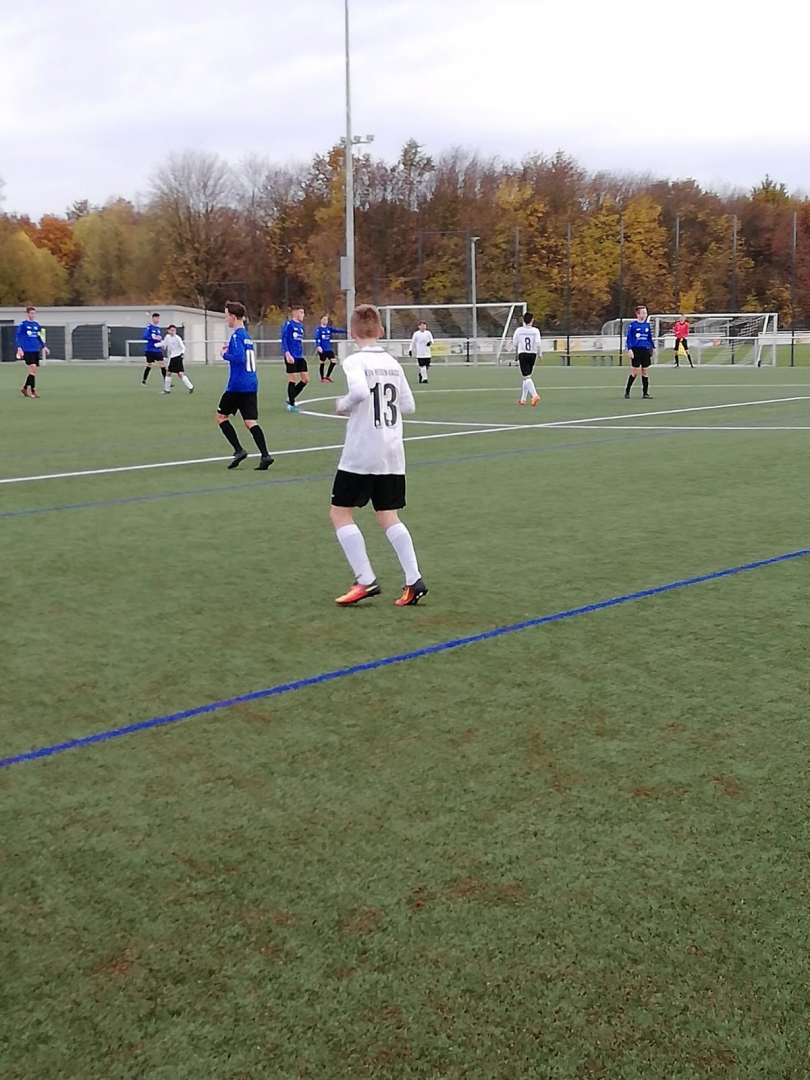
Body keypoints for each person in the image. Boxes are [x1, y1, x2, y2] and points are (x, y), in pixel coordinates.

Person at [331, 303, 428, 607]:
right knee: (388, 515)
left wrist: (342, 405)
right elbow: (408, 405)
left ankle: (365, 579)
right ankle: (414, 579)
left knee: (340, 513)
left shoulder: (354, 361)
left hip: (362, 450)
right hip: (392, 451)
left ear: (352, 333)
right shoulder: (393, 363)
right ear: (381, 331)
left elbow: (360, 392)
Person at [215, 301, 274, 471]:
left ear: (233, 317)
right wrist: (231, 350)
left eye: (227, 315)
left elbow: (239, 358)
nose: (226, 319)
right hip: (251, 383)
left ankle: (239, 450)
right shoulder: (246, 336)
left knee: (221, 417)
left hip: (237, 385)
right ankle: (265, 455)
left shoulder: (236, 335)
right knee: (250, 421)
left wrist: (225, 354)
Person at [624, 304, 657, 399]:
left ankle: (645, 393)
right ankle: (627, 391)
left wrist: (653, 348)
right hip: (636, 350)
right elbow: (629, 338)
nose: (645, 314)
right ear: (637, 314)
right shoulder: (633, 325)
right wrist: (629, 349)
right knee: (634, 372)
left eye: (646, 313)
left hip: (645, 350)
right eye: (643, 313)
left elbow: (649, 338)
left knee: (645, 371)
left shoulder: (647, 325)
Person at [16, 305, 49, 397]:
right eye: (31, 313)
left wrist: (44, 346)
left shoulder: (36, 324)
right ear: (27, 314)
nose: (33, 315)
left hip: (35, 349)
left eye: (34, 313)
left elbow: (39, 336)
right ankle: (33, 391)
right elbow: (18, 336)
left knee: (33, 371)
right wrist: (19, 348)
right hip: (27, 349)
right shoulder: (23, 324)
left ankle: (25, 388)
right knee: (33, 367)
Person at [280, 304, 308, 411]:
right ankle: (292, 405)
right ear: (295, 313)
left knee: (305, 379)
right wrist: (287, 353)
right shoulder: (288, 324)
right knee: (292, 379)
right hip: (291, 356)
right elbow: (284, 339)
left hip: (299, 356)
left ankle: (291, 397)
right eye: (301, 312)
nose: (303, 315)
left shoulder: (301, 326)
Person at [511, 312, 542, 406]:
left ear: (523, 320)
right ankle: (523, 399)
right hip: (532, 354)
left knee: (526, 377)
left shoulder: (519, 330)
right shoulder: (536, 331)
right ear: (532, 320)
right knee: (527, 377)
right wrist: (540, 354)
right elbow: (538, 343)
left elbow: (515, 343)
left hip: (523, 354)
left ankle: (535, 395)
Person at [160, 326, 194, 394]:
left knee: (172, 373)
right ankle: (190, 387)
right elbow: (164, 344)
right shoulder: (167, 337)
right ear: (168, 330)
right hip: (172, 357)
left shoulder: (177, 338)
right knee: (176, 373)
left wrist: (182, 354)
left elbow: (183, 347)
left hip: (177, 357)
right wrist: (157, 345)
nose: (173, 332)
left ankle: (167, 390)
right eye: (171, 330)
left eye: (174, 330)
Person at [314, 315, 346, 382]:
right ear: (321, 320)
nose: (326, 321)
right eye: (324, 319)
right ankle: (322, 378)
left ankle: (327, 376)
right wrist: (318, 346)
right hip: (322, 349)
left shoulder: (328, 328)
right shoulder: (319, 329)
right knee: (322, 363)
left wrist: (346, 331)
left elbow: (336, 330)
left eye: (327, 319)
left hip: (328, 349)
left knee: (334, 362)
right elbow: (317, 338)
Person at [141, 313, 167, 385]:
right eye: (157, 318)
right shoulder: (149, 327)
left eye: (158, 318)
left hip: (157, 350)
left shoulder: (158, 328)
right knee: (149, 365)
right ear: (153, 318)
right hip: (150, 349)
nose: (158, 320)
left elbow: (159, 338)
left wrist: (162, 344)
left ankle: (166, 381)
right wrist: (153, 338)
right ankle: (144, 380)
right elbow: (144, 337)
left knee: (162, 364)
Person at [409, 319, 434, 384]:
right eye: (422, 325)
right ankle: (425, 379)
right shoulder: (416, 334)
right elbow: (413, 342)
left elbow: (432, 340)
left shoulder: (428, 333)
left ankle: (421, 374)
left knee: (427, 366)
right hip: (420, 353)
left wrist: (430, 343)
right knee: (422, 366)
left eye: (424, 325)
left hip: (427, 353)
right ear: (419, 326)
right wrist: (410, 349)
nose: (423, 327)